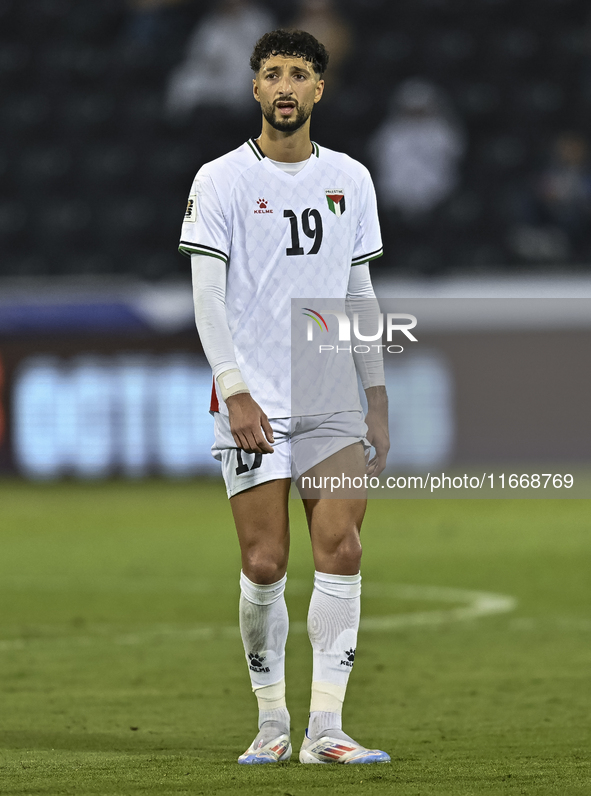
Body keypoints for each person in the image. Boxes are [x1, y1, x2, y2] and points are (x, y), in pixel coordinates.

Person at [179, 29, 390, 765]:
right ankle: (271, 723)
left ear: (318, 90)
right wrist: (234, 392)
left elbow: (358, 289)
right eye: (272, 73)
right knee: (266, 562)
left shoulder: (352, 179)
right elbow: (207, 298)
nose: (285, 86)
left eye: (299, 73)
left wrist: (376, 392)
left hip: (330, 389)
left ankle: (324, 729)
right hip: (257, 395)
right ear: (254, 89)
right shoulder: (220, 180)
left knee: (341, 547)